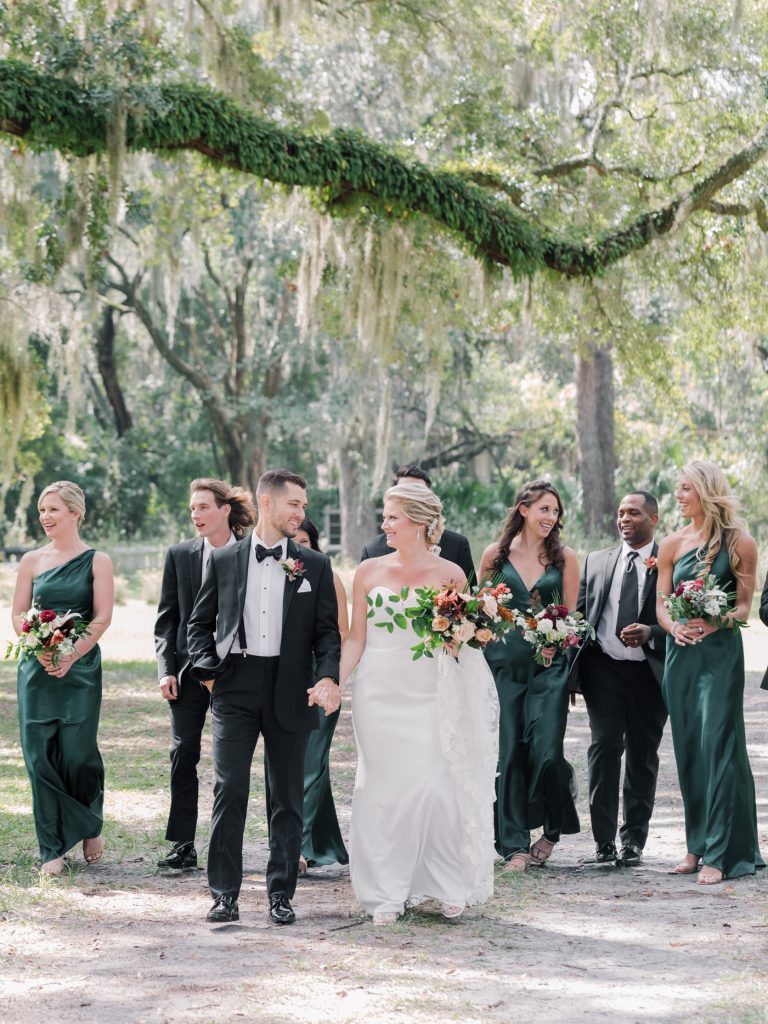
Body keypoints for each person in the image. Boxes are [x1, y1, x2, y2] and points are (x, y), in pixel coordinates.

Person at [187, 469, 341, 924]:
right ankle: (224, 895)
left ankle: (281, 895)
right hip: (235, 683)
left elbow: (327, 634)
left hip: (292, 686)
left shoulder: (315, 565)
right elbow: (198, 624)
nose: (301, 513)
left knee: (287, 797)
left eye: (304, 506)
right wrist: (209, 675)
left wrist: (328, 676)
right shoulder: (224, 559)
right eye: (294, 504)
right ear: (267, 503)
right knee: (229, 789)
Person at [342, 482, 499, 925]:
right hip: (378, 692)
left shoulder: (452, 574)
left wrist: (461, 638)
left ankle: (447, 883)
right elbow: (356, 637)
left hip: (431, 691)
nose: (384, 524)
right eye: (385, 516)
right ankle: (387, 892)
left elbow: (464, 643)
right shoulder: (368, 572)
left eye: (392, 517)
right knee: (383, 790)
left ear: (418, 521)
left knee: (436, 788)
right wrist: (334, 682)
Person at [656, 460, 764, 884]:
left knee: (719, 745)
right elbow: (661, 605)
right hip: (680, 657)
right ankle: (695, 845)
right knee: (689, 750)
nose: (679, 496)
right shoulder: (671, 544)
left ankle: (720, 853)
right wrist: (674, 627)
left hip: (719, 657)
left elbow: (743, 607)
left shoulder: (742, 543)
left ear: (705, 490)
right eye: (677, 489)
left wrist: (714, 621)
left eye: (685, 489)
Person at [11, 481, 114, 875]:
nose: (45, 517)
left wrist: (71, 653)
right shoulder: (31, 561)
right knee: (39, 755)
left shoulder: (97, 561)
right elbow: (20, 614)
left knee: (77, 752)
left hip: (80, 669)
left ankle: (89, 820)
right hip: (37, 669)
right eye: (41, 509)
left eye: (53, 509)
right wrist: (39, 647)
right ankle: (51, 847)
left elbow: (102, 616)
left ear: (75, 513)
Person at [154, 478, 256, 871]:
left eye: (203, 507)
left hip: (238, 671)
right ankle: (183, 844)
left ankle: (227, 844)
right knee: (183, 752)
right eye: (192, 508)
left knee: (230, 764)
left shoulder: (251, 554)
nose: (195, 515)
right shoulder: (179, 555)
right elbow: (167, 620)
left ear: (225, 510)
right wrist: (166, 670)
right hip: (186, 671)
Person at [478, 480, 580, 871]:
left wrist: (560, 639)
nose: (551, 518)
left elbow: (571, 616)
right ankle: (514, 845)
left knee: (548, 753)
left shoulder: (565, 558)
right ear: (523, 509)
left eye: (555, 512)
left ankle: (553, 829)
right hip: (503, 669)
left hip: (548, 670)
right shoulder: (494, 555)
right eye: (544, 510)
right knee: (509, 756)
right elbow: (482, 612)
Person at [569, 492, 667, 867]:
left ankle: (634, 841)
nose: (625, 519)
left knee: (643, 755)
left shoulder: (668, 562)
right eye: (621, 513)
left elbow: (678, 617)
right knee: (604, 748)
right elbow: (580, 620)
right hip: (603, 670)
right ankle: (604, 841)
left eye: (634, 513)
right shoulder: (596, 561)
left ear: (653, 519)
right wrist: (572, 676)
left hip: (649, 673)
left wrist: (652, 632)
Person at [265, 517, 350, 874]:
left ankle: (296, 847)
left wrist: (328, 680)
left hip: (320, 678)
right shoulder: (269, 576)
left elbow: (341, 633)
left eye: (304, 541)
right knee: (282, 765)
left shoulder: (326, 576)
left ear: (313, 546)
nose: (297, 548)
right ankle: (307, 840)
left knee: (311, 763)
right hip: (279, 680)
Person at [359, 465, 475, 583]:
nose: (412, 498)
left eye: (418, 493)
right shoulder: (372, 551)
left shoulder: (457, 546)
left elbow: (470, 597)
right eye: (406, 492)